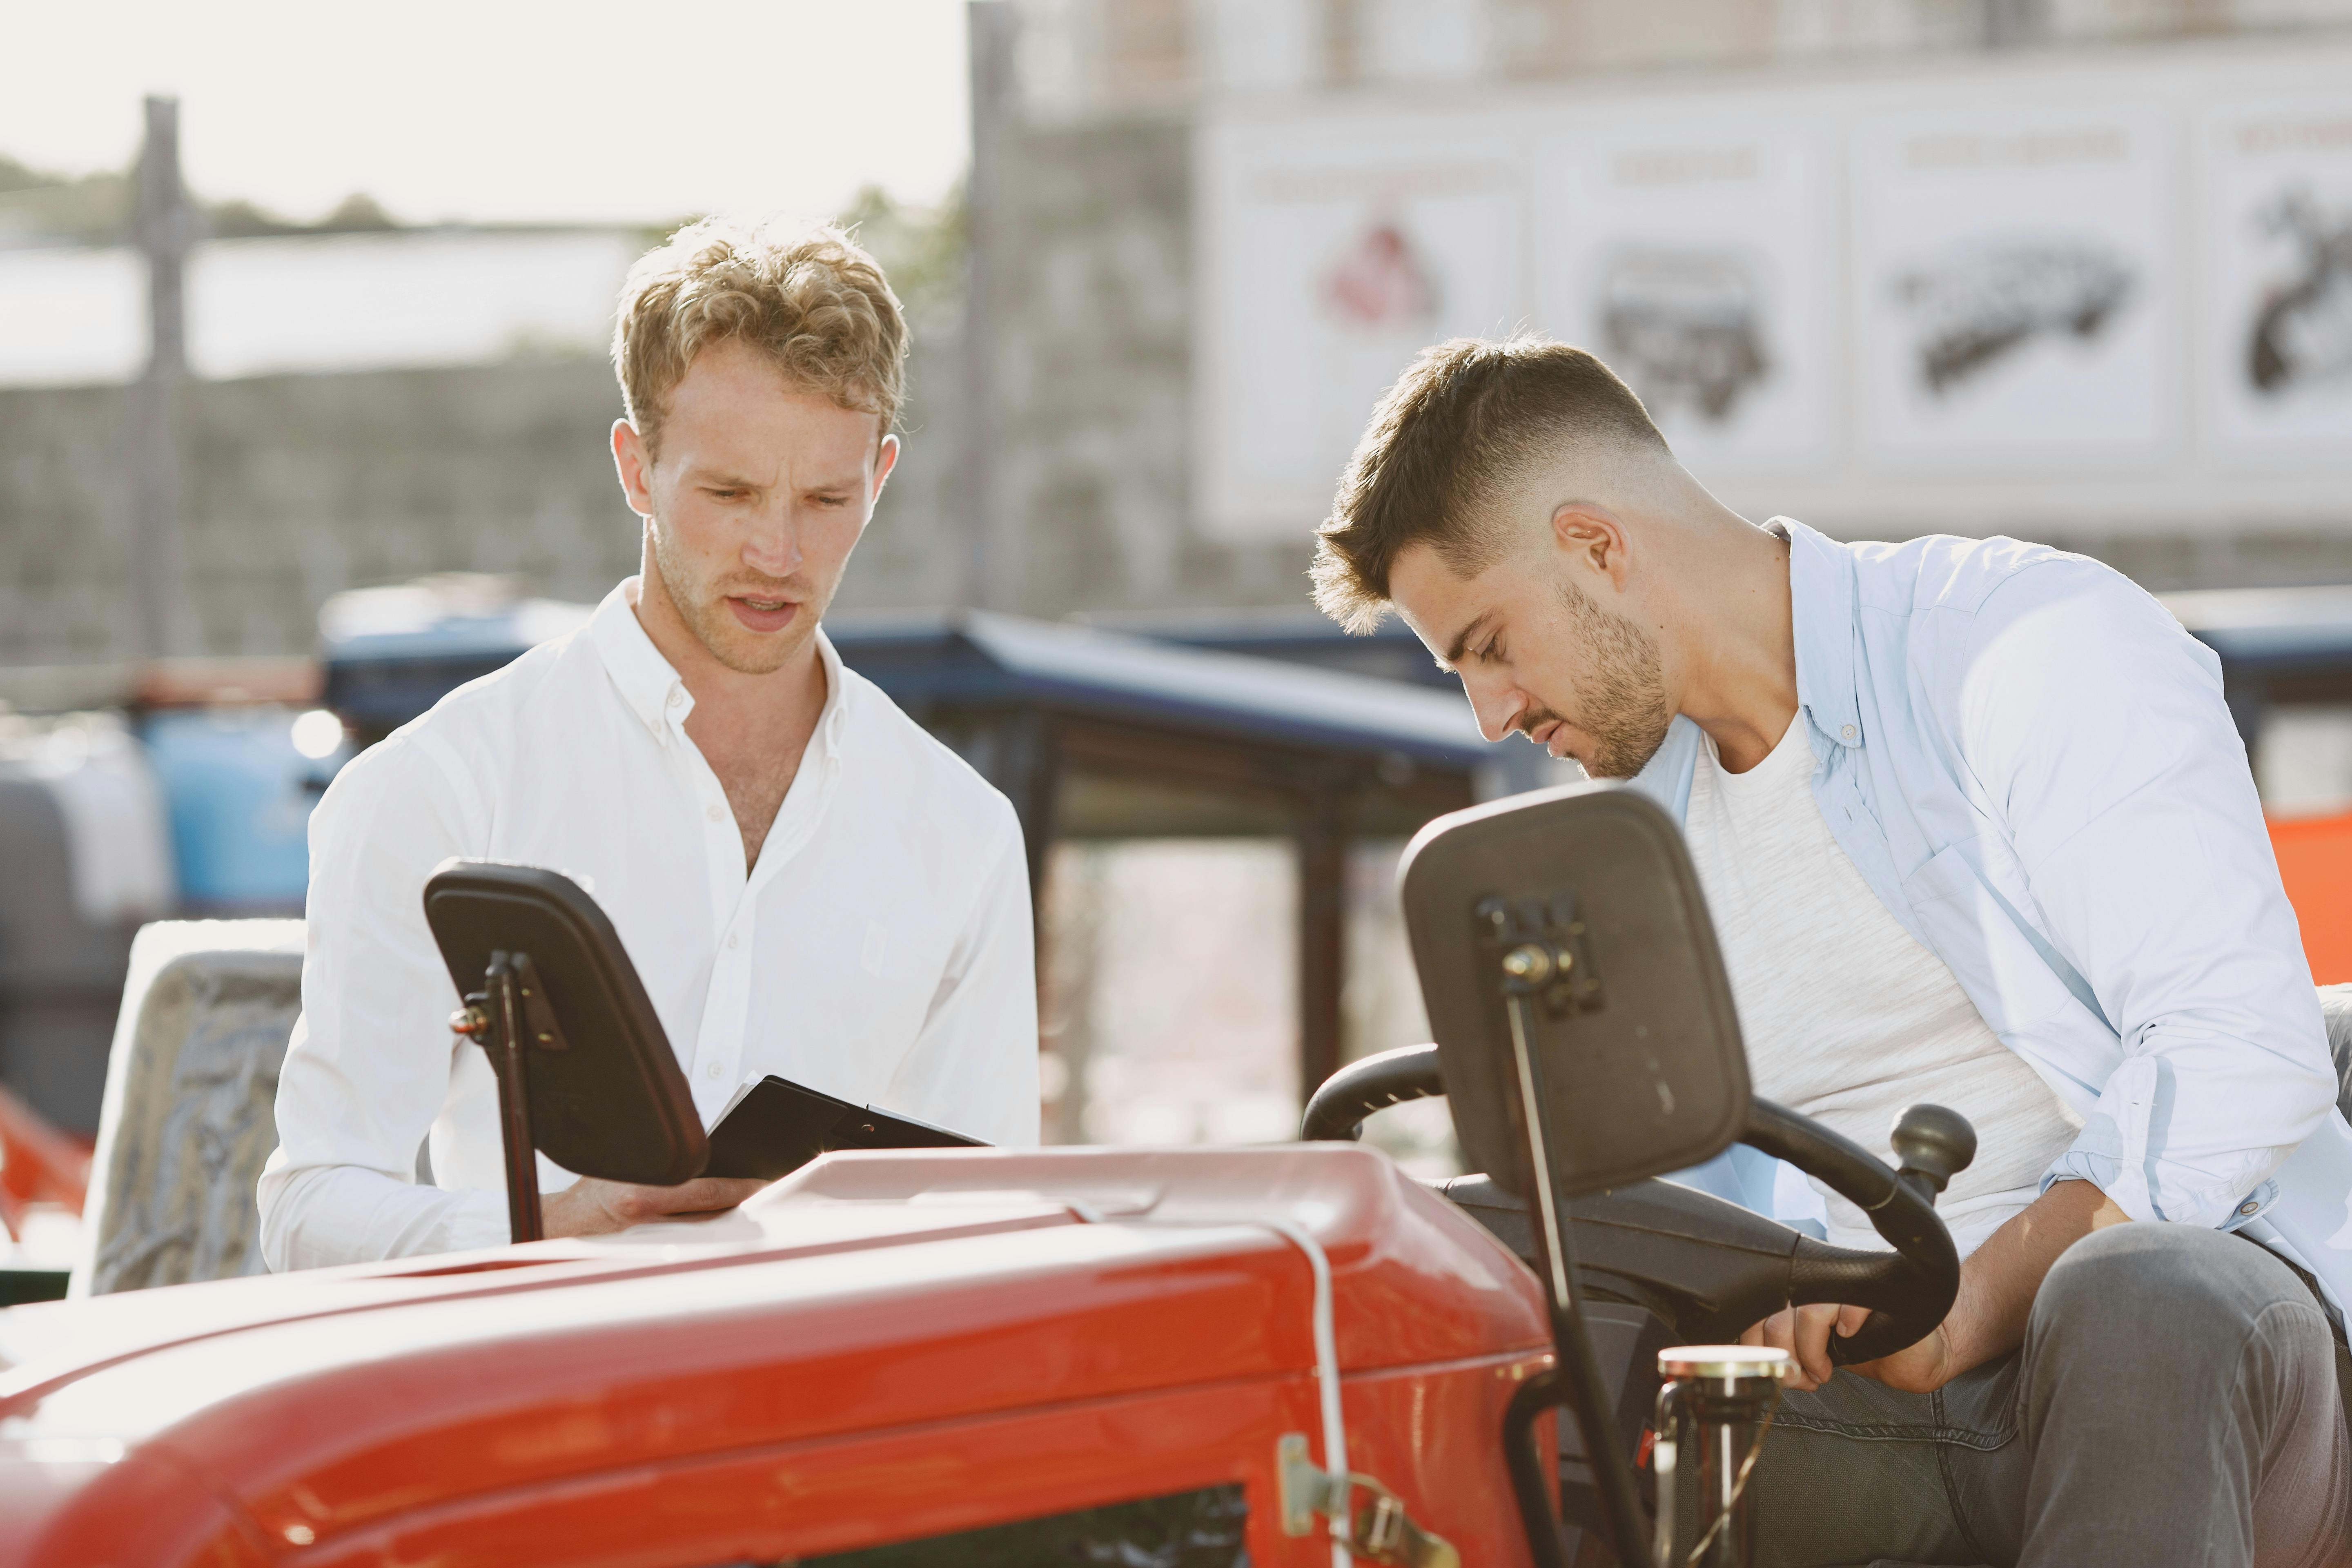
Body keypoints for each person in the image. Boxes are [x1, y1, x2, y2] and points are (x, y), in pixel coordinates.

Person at [1311, 334, 2352, 1564]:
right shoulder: (1623, 839)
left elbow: (2245, 1049)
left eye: (1489, 644)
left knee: (2138, 1295)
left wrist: (1959, 1304)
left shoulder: (2028, 649)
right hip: (1874, 1390)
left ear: (1597, 546)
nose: (1492, 714)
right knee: (1546, 1408)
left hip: (2203, 1356)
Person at [259, 220, 1039, 1270]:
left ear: (881, 477)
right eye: (728, 494)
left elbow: (988, 1238)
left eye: (825, 499)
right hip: (530, 1414)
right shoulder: (439, 788)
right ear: (636, 467)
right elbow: (308, 1212)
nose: (779, 551)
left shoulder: (963, 833)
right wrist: (551, 1228)